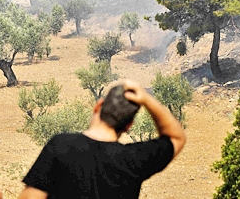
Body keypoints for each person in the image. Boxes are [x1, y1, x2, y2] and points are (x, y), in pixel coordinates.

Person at [18, 79, 186, 199]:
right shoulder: (133, 160)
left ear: (98, 106)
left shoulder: (61, 146)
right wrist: (146, 98)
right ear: (129, 126)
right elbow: (176, 137)